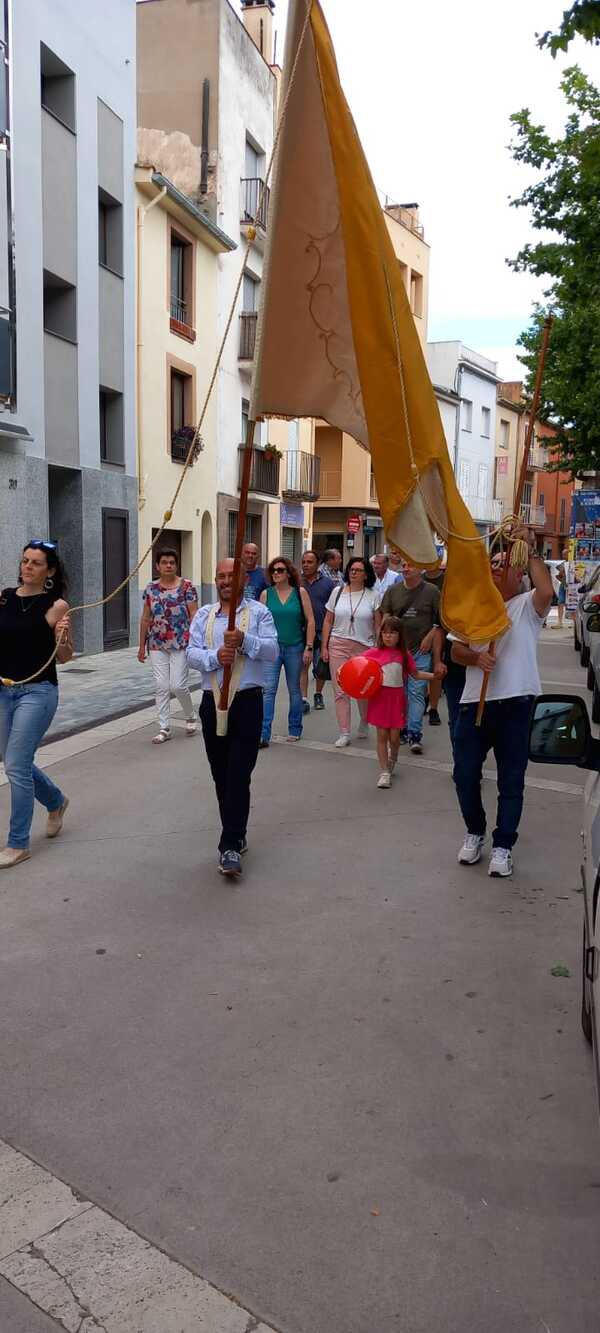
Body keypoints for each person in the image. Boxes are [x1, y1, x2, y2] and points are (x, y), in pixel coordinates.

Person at [451, 527, 553, 878]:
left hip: (516, 703)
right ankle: (475, 831)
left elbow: (547, 589)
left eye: (504, 561)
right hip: (473, 703)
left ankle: (503, 845)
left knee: (512, 780)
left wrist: (530, 548)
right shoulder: (474, 607)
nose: (496, 566)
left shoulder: (527, 606)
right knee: (464, 774)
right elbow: (456, 650)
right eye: (492, 561)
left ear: (518, 571)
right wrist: (475, 658)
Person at [187, 559, 278, 878]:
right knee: (221, 775)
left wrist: (245, 641)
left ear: (243, 578)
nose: (226, 581)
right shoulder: (204, 615)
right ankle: (237, 832)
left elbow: (272, 651)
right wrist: (215, 657)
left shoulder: (258, 613)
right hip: (213, 702)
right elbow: (191, 653)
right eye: (221, 577)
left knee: (240, 774)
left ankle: (228, 845)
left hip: (248, 702)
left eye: (232, 576)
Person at [0, 540, 73, 868]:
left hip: (38, 691)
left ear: (50, 570)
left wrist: (64, 637)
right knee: (13, 761)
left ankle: (18, 843)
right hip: (4, 689)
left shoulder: (56, 605)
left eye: (35, 563)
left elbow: (66, 657)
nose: (27, 567)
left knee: (16, 762)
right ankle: (56, 801)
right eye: (25, 561)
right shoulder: (4, 598)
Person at [380, 560, 446, 754]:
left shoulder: (432, 591)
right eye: (404, 565)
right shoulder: (393, 591)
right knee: (400, 693)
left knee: (416, 692)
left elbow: (440, 621)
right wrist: (383, 644)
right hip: (397, 651)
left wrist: (430, 636)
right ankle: (401, 727)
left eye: (411, 565)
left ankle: (414, 733)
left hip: (420, 651)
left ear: (420, 568)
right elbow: (385, 619)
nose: (406, 569)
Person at [363, 615, 435, 788]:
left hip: (397, 701)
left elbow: (415, 674)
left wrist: (434, 676)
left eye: (392, 633)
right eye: (385, 632)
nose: (388, 636)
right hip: (379, 700)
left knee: (395, 738)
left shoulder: (404, 655)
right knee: (381, 735)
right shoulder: (373, 653)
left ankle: (393, 756)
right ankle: (384, 772)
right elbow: (357, 666)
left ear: (399, 636)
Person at [320, 556, 381, 747]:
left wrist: (378, 649)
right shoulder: (337, 592)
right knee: (340, 691)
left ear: (366, 574)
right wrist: (324, 645)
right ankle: (344, 732)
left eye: (358, 570)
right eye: (351, 569)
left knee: (362, 689)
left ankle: (364, 720)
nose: (353, 573)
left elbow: (378, 624)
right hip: (338, 644)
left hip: (364, 647)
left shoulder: (373, 595)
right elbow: (328, 620)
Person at [139, 549, 198, 744]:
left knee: (178, 685)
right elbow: (146, 618)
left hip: (181, 642)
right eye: (164, 562)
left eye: (172, 562)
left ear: (176, 565)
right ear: (157, 566)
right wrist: (141, 646)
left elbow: (194, 615)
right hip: (157, 643)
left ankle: (190, 715)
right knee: (161, 686)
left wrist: (197, 642)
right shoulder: (151, 589)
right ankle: (164, 727)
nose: (168, 565)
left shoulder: (186, 586)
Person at [259, 557, 315, 746]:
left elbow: (311, 621)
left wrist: (309, 646)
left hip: (295, 647)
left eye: (280, 570)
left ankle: (295, 728)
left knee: (294, 690)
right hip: (272, 649)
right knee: (268, 691)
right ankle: (263, 733)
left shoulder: (300, 593)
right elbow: (259, 624)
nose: (276, 573)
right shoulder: (266, 594)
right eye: (273, 570)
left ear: (289, 573)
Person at [299, 550, 333, 712]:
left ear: (318, 564)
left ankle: (318, 694)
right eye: (304, 562)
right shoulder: (297, 582)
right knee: (303, 665)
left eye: (309, 562)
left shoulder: (328, 583)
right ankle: (303, 699)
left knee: (320, 667)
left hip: (321, 631)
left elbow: (332, 609)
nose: (306, 565)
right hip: (301, 630)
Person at [556, 559, 567, 628]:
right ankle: (560, 621)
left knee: (573, 605)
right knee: (560, 603)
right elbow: (559, 575)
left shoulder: (576, 563)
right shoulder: (564, 564)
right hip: (564, 586)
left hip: (570, 586)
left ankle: (560, 622)